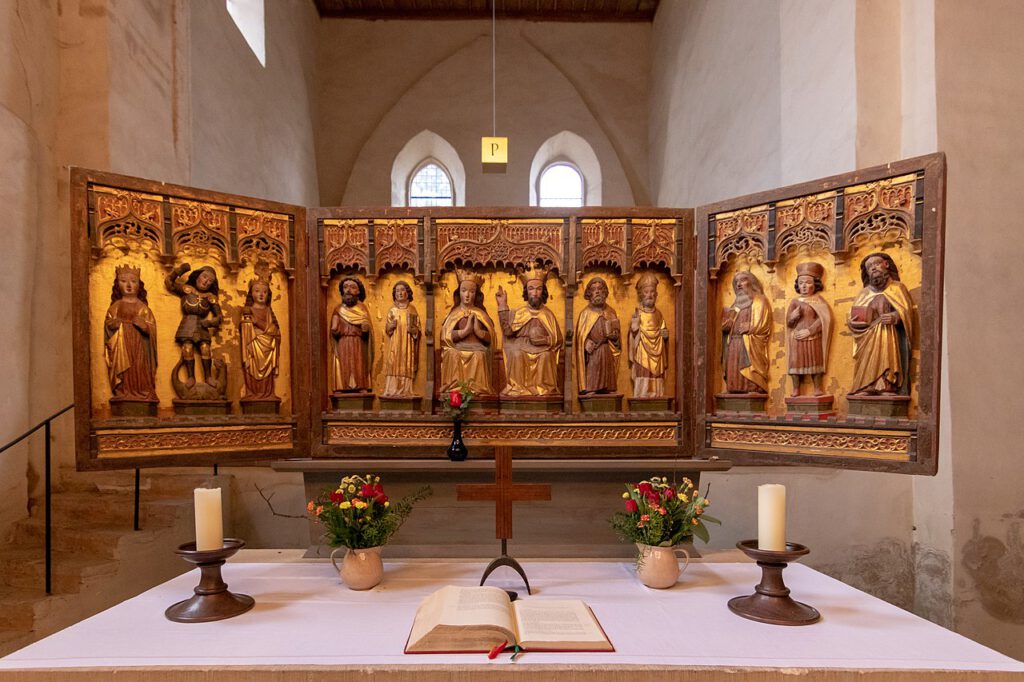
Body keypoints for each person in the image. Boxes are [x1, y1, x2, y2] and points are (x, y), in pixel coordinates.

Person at [847, 252, 913, 396]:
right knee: (866, 360)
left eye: (876, 264)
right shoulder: (864, 293)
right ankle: (866, 386)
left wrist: (895, 316)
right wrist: (851, 321)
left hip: (887, 333)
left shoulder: (897, 288)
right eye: (869, 267)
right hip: (867, 336)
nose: (873, 268)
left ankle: (887, 386)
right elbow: (852, 314)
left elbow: (906, 311)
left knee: (887, 355)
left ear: (886, 265)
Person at [496, 263, 563, 397]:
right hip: (521, 347)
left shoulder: (547, 314)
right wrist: (502, 305)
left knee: (546, 356)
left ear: (543, 292)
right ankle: (517, 389)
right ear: (526, 292)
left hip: (542, 348)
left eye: (538, 289)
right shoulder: (520, 312)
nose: (535, 293)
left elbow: (557, 339)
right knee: (517, 355)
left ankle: (544, 390)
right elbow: (508, 332)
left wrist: (544, 340)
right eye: (531, 289)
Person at [104, 264, 158, 401]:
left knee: (139, 367)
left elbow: (152, 329)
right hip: (121, 344)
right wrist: (113, 325)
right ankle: (123, 391)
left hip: (139, 346)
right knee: (124, 368)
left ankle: (142, 391)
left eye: (133, 281)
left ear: (139, 285)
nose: (129, 285)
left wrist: (145, 327)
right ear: (117, 285)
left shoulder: (143, 308)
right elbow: (108, 325)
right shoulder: (115, 307)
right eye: (123, 281)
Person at [165, 262, 222, 387]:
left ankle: (208, 377)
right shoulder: (187, 290)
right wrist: (180, 270)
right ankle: (191, 377)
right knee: (187, 348)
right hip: (188, 324)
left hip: (202, 325)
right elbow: (169, 282)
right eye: (204, 277)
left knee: (205, 349)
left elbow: (219, 317)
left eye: (210, 281)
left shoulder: (210, 297)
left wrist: (210, 322)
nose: (206, 281)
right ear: (197, 276)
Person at [439, 270, 495, 395]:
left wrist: (479, 332)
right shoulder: (454, 314)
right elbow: (445, 337)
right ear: (459, 293)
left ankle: (478, 389)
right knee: (452, 353)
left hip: (476, 347)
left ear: (477, 294)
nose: (467, 295)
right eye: (464, 290)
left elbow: (490, 339)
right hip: (458, 346)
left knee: (479, 355)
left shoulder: (481, 314)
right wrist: (464, 332)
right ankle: (454, 389)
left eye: (472, 291)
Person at [786, 262, 832, 397]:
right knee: (795, 361)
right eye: (801, 283)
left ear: (815, 284)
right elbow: (788, 322)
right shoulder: (795, 302)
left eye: (807, 282)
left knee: (815, 360)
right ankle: (796, 388)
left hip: (813, 336)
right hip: (797, 337)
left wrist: (810, 330)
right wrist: (793, 317)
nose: (804, 286)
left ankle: (817, 387)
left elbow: (824, 319)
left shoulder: (819, 300)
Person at [721, 271, 770, 394]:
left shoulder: (759, 300)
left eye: (743, 280)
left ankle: (753, 387)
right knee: (733, 367)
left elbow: (764, 324)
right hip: (734, 343)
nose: (739, 284)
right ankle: (733, 388)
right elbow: (728, 323)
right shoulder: (735, 304)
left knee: (748, 367)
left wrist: (751, 327)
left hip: (750, 342)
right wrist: (727, 328)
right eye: (736, 282)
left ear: (752, 283)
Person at [575, 277, 620, 395]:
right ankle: (591, 388)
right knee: (594, 367)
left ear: (605, 292)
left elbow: (617, 337)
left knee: (607, 368)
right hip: (593, 350)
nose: (597, 292)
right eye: (594, 289)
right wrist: (585, 342)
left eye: (600, 289)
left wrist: (614, 336)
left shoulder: (611, 312)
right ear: (589, 293)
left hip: (606, 348)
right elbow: (580, 336)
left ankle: (608, 388)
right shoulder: (585, 313)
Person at [628, 272, 669, 398]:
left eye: (652, 292)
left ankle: (657, 395)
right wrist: (634, 330)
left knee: (656, 374)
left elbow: (663, 330)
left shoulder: (659, 314)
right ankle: (642, 393)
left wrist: (665, 336)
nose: (650, 295)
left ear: (656, 294)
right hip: (642, 351)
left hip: (658, 351)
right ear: (641, 295)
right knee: (644, 371)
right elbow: (632, 335)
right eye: (646, 292)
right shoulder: (637, 314)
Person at [240, 276, 281, 400]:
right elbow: (245, 329)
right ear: (251, 294)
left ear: (268, 294)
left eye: (264, 291)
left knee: (267, 373)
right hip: (252, 345)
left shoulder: (269, 311)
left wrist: (257, 322)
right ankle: (252, 393)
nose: (261, 294)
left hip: (267, 346)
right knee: (251, 367)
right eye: (257, 291)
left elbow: (275, 330)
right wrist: (248, 324)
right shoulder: (248, 310)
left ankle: (267, 394)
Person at [330, 276, 372, 393]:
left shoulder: (362, 309)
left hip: (358, 342)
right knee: (344, 364)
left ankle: (361, 386)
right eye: (345, 287)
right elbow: (334, 332)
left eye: (352, 287)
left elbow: (368, 330)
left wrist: (365, 328)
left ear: (358, 291)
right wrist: (335, 328)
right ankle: (341, 386)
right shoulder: (338, 309)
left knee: (358, 363)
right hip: (343, 342)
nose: (348, 290)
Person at [381, 281, 420, 398]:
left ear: (407, 293)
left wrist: (413, 330)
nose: (400, 293)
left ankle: (406, 390)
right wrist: (390, 327)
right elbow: (387, 329)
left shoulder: (412, 309)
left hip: (408, 343)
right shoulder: (392, 310)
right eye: (397, 291)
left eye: (402, 290)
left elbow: (418, 329)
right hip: (395, 343)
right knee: (394, 361)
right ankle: (392, 389)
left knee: (406, 361)